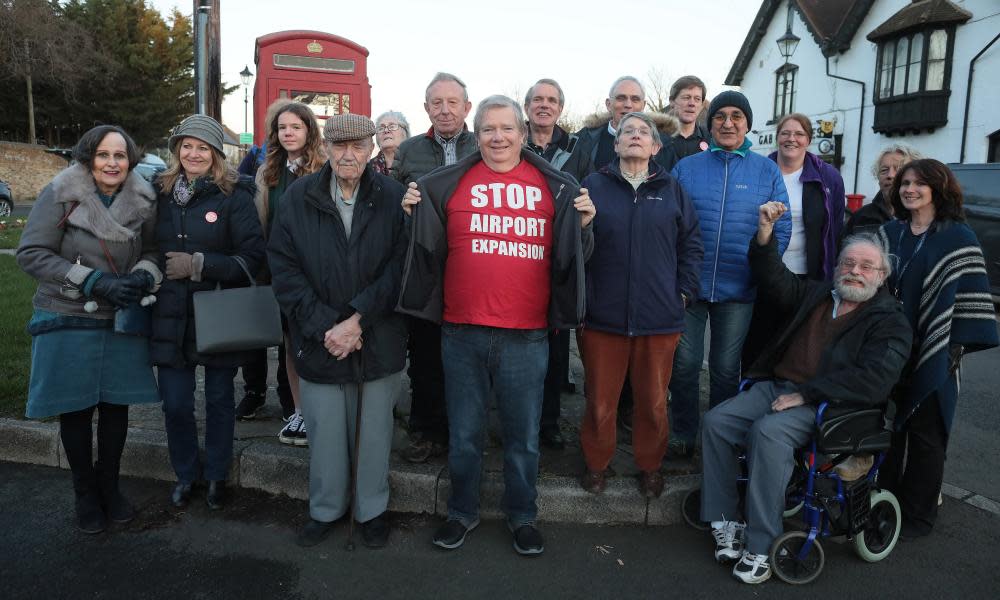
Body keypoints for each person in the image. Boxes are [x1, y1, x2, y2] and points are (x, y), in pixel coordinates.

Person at [398, 95, 595, 556]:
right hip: (461, 330)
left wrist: (585, 226)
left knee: (523, 438)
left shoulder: (557, 187)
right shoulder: (447, 182)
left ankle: (523, 515)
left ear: (523, 135)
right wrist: (411, 212)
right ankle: (460, 512)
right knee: (464, 434)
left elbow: (575, 260)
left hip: (527, 335)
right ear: (477, 133)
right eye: (489, 129)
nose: (498, 137)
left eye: (507, 129)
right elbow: (423, 248)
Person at [702, 201, 912, 584]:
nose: (855, 272)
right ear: (836, 268)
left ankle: (760, 545)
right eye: (848, 264)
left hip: (831, 404)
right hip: (777, 386)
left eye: (866, 267)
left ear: (881, 277)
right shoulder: (816, 294)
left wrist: (809, 394)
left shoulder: (890, 320)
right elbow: (773, 278)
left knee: (768, 432)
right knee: (717, 421)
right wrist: (765, 232)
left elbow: (876, 380)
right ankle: (725, 520)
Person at [267, 113, 408, 549]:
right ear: (326, 148)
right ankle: (325, 508)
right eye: (340, 146)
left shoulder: (394, 197)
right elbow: (284, 271)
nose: (349, 154)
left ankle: (371, 510)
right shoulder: (297, 198)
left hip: (376, 334)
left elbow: (400, 268)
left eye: (359, 146)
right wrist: (329, 327)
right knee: (325, 431)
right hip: (319, 337)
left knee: (374, 432)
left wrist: (358, 319)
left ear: (371, 149)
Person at [17, 125, 161, 533]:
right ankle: (84, 492)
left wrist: (144, 276)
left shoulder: (144, 198)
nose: (112, 163)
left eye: (120, 156)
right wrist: (91, 280)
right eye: (103, 155)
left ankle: (109, 486)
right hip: (68, 311)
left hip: (119, 316)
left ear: (130, 160)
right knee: (76, 408)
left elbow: (153, 250)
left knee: (116, 407)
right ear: (88, 158)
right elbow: (31, 253)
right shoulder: (60, 192)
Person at [578, 112, 702, 497]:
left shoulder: (673, 189)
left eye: (642, 132)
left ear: (655, 146)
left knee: (651, 403)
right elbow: (575, 248)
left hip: (659, 318)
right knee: (600, 401)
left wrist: (682, 293)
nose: (634, 136)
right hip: (603, 317)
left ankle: (650, 466)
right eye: (627, 131)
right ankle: (597, 464)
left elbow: (691, 245)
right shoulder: (593, 185)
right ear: (615, 144)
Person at [877, 159, 998, 539]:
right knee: (887, 432)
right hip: (887, 351)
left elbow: (969, 297)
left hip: (937, 349)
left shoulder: (958, 237)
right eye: (905, 183)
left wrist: (949, 350)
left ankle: (918, 516)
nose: (909, 189)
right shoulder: (889, 233)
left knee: (928, 438)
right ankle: (885, 503)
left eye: (919, 184)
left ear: (939, 189)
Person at [668, 91, 791, 460]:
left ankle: (718, 434)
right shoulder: (687, 168)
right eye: (720, 116)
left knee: (725, 369)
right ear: (710, 123)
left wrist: (759, 271)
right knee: (686, 365)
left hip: (739, 287)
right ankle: (683, 431)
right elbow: (667, 223)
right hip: (690, 285)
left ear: (747, 124)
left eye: (737, 116)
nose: (728, 123)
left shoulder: (765, 170)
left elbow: (781, 230)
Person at [152, 114, 266, 511]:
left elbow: (253, 257)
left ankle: (216, 474)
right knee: (177, 403)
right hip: (170, 315)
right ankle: (186, 473)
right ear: (176, 150)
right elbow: (149, 247)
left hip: (218, 312)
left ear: (216, 153)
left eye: (203, 147)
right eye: (187, 145)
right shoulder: (161, 192)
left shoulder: (234, 195)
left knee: (219, 399)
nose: (194, 153)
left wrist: (200, 263)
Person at [391, 73, 478, 464]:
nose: (445, 110)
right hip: (425, 266)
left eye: (452, 102)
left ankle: (463, 432)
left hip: (473, 267)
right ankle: (425, 431)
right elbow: (393, 205)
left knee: (467, 359)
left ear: (467, 108)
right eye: (436, 103)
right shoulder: (408, 151)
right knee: (425, 356)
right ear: (426, 108)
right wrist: (403, 206)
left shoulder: (484, 145)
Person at [237, 101, 327, 448]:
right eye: (282, 128)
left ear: (309, 131)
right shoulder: (267, 171)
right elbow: (262, 221)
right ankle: (300, 411)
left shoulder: (324, 169)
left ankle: (323, 410)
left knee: (315, 342)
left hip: (315, 271)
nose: (288, 133)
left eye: (296, 127)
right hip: (277, 270)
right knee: (290, 345)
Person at [741, 113, 847, 369]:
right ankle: (751, 390)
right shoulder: (759, 171)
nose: (792, 139)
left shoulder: (828, 177)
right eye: (786, 133)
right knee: (758, 339)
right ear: (777, 138)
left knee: (798, 343)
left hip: (807, 276)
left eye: (799, 134)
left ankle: (785, 396)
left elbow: (835, 229)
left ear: (808, 140)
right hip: (765, 273)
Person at [523, 78, 590, 450]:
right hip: (520, 251)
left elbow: (585, 192)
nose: (544, 105)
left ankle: (548, 423)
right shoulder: (516, 143)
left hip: (559, 255)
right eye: (537, 99)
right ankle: (518, 417)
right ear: (528, 106)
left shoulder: (577, 148)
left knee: (555, 346)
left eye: (551, 100)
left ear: (560, 108)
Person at [576, 75, 679, 176]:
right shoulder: (582, 141)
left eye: (635, 99)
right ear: (608, 104)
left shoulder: (664, 146)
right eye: (621, 98)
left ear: (643, 105)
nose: (628, 105)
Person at [842, 144, 923, 238]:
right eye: (884, 170)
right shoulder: (861, 217)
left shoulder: (926, 217)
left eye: (899, 169)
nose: (890, 175)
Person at [667, 75, 710, 160]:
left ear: (702, 105)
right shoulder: (655, 137)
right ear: (672, 101)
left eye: (697, 99)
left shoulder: (711, 140)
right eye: (686, 97)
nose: (692, 103)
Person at [370, 111, 410, 176]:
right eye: (381, 128)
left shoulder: (417, 163)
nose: (386, 130)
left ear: (404, 132)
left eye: (392, 126)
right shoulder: (367, 169)